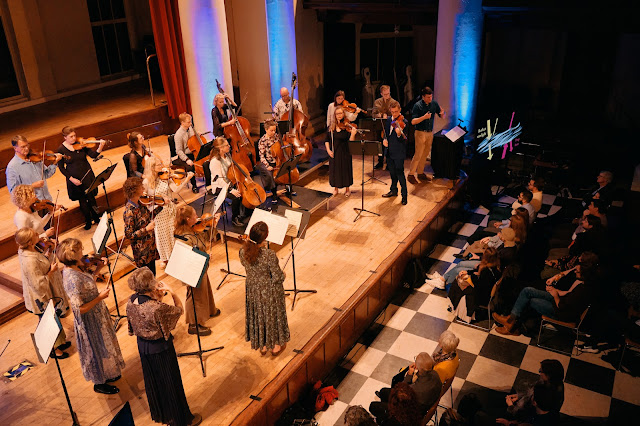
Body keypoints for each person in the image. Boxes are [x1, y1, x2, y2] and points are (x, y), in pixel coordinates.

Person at [126, 267, 202, 426]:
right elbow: (178, 310)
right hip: (160, 349)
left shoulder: (131, 301)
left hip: (143, 348)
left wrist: (157, 298)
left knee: (155, 383)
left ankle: (166, 416)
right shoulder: (156, 307)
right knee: (171, 382)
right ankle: (181, 420)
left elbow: (137, 323)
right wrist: (172, 292)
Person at [56, 238, 124, 394]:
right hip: (89, 319)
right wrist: (100, 297)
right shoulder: (71, 279)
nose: (83, 251)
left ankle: (106, 374)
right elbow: (79, 309)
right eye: (80, 249)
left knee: (103, 346)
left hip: (97, 313)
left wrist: (98, 268)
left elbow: (87, 284)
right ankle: (99, 383)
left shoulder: (78, 266)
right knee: (95, 350)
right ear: (73, 255)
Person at [493, 253, 597, 336]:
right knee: (527, 290)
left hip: (560, 312)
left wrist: (555, 294)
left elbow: (562, 307)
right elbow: (568, 293)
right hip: (559, 299)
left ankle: (513, 327)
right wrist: (554, 290)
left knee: (531, 300)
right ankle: (510, 319)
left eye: (578, 272)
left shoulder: (584, 289)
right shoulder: (582, 282)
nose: (575, 272)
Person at [16, 227, 70, 358]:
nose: (38, 235)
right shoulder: (29, 260)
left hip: (45, 293)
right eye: (35, 234)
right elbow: (38, 285)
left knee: (54, 317)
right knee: (47, 322)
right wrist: (51, 271)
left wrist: (49, 250)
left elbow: (40, 262)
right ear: (29, 242)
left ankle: (60, 341)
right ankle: (53, 349)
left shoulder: (26, 250)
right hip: (40, 297)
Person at [239, 221, 289, 355]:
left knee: (259, 315)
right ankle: (275, 345)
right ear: (265, 237)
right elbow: (277, 277)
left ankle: (263, 345)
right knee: (272, 316)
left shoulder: (242, 251)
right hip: (268, 291)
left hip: (253, 290)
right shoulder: (269, 255)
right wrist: (283, 274)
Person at [174, 205, 221, 336]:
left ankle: (210, 310)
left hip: (201, 267)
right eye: (195, 215)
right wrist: (205, 257)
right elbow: (188, 257)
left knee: (204, 289)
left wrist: (212, 225)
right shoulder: (183, 237)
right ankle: (194, 325)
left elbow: (204, 238)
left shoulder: (193, 228)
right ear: (188, 219)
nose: (198, 217)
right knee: (194, 296)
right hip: (192, 271)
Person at [142, 156, 193, 268]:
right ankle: (165, 258)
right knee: (162, 236)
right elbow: (145, 200)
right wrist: (158, 202)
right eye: (159, 164)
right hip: (158, 212)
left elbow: (176, 190)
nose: (162, 166)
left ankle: (176, 256)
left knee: (172, 234)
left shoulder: (165, 177)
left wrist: (187, 179)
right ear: (152, 168)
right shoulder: (146, 182)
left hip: (170, 210)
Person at [57, 126, 106, 229]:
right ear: (65, 137)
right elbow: (61, 167)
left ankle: (97, 218)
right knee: (82, 200)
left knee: (91, 197)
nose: (74, 138)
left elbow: (93, 155)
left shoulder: (81, 144)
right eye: (71, 137)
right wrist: (71, 179)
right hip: (74, 179)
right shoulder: (61, 149)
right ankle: (88, 221)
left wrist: (100, 147)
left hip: (87, 174)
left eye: (75, 135)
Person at [371, 352, 442, 419]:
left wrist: (409, 375)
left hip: (409, 411)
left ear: (417, 367)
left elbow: (400, 389)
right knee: (383, 392)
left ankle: (385, 416)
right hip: (424, 404)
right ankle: (387, 405)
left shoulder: (415, 390)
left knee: (373, 406)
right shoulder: (435, 374)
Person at [447, 249, 501, 323]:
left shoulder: (486, 271)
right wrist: (468, 272)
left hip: (482, 296)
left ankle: (455, 307)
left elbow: (478, 285)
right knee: (460, 282)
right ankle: (455, 306)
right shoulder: (496, 268)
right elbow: (479, 275)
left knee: (457, 284)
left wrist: (469, 278)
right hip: (489, 293)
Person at [6, 134, 63, 201]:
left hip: (47, 200)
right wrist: (32, 186)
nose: (26, 148)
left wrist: (54, 162)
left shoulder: (35, 158)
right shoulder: (12, 167)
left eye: (27, 145)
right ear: (15, 148)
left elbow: (46, 174)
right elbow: (13, 191)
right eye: (23, 147)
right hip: (31, 205)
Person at [123, 177, 159, 275]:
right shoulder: (129, 211)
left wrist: (162, 205)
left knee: (153, 275)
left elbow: (149, 216)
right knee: (147, 278)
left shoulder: (141, 203)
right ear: (134, 190)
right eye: (141, 187)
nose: (143, 188)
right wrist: (146, 229)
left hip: (149, 247)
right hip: (141, 251)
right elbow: (129, 235)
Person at [209, 137, 249, 227]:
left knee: (243, 191)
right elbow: (219, 179)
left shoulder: (227, 157)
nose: (229, 146)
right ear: (220, 148)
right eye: (226, 145)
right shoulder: (215, 161)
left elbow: (232, 170)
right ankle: (235, 218)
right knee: (236, 196)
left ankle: (243, 214)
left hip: (229, 182)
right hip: (219, 186)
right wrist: (230, 189)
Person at [409, 87, 445, 184]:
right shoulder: (417, 106)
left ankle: (420, 172)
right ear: (423, 97)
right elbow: (413, 121)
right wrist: (424, 117)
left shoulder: (434, 104)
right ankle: (411, 174)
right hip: (420, 132)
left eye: (431, 97)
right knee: (418, 154)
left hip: (430, 132)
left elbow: (441, 115)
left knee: (425, 154)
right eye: (428, 97)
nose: (430, 99)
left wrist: (442, 113)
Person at [173, 112, 211, 193]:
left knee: (206, 163)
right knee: (191, 167)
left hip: (193, 151)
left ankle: (209, 185)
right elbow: (179, 151)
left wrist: (197, 134)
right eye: (188, 122)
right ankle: (194, 185)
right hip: (185, 155)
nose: (191, 123)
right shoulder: (178, 135)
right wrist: (187, 159)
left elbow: (192, 139)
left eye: (190, 121)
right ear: (182, 123)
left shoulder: (190, 128)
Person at [325, 107, 357, 197]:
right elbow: (326, 140)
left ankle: (347, 189)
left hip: (345, 152)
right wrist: (328, 150)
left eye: (341, 113)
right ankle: (336, 188)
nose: (339, 115)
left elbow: (351, 141)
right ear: (335, 115)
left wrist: (353, 134)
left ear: (343, 114)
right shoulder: (331, 127)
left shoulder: (347, 127)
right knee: (335, 170)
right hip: (335, 152)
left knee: (345, 169)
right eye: (337, 114)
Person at [382, 101, 408, 205]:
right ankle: (393, 190)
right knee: (392, 173)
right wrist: (384, 139)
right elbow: (386, 133)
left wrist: (399, 135)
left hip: (398, 152)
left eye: (396, 112)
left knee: (400, 174)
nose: (394, 114)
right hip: (389, 151)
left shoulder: (404, 122)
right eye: (392, 112)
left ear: (400, 110)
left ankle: (404, 195)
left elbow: (405, 140)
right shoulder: (389, 120)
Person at [373, 85, 398, 169]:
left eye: (388, 93)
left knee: (389, 145)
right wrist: (378, 115)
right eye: (385, 94)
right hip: (380, 126)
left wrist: (388, 116)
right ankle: (380, 161)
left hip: (390, 126)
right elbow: (373, 113)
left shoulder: (394, 102)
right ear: (381, 94)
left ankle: (388, 163)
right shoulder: (377, 102)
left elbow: (397, 114)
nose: (387, 96)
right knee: (380, 144)